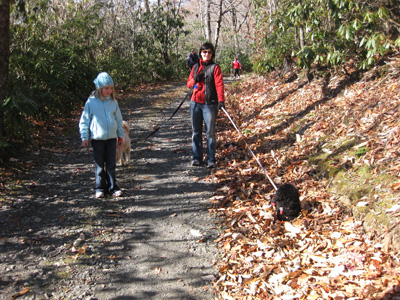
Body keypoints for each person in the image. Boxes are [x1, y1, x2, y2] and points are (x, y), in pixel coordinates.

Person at [79, 72, 125, 199]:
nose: (109, 91)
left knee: (111, 164)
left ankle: (113, 187)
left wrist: (120, 135)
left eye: (111, 88)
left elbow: (118, 119)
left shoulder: (113, 102)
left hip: (111, 138)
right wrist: (84, 136)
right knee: (99, 165)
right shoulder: (91, 102)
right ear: (99, 88)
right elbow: (85, 120)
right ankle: (100, 188)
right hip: (97, 139)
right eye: (106, 88)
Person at [187, 42, 225, 169]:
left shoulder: (215, 68)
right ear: (200, 53)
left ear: (212, 54)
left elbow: (219, 84)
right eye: (204, 52)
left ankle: (210, 159)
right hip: (195, 103)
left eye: (209, 52)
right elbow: (189, 83)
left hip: (210, 104)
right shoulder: (196, 67)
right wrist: (195, 80)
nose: (206, 54)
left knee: (210, 133)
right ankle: (196, 158)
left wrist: (221, 101)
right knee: (196, 132)